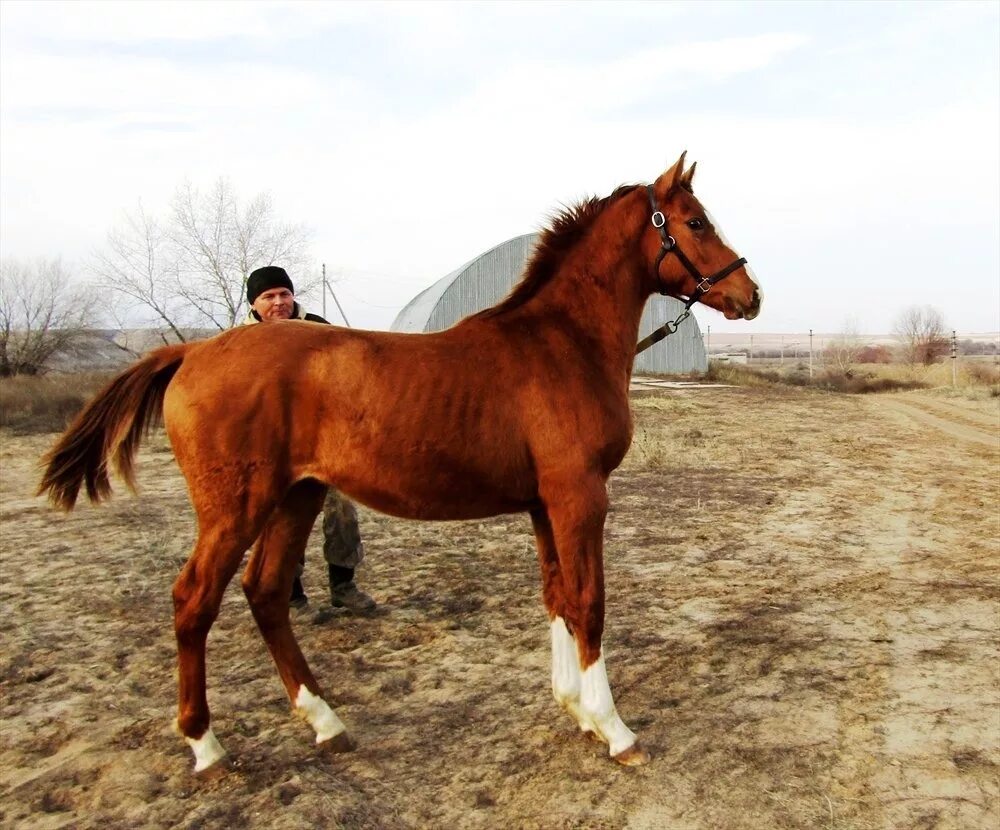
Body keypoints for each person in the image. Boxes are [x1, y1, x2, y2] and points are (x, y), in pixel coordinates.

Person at [242, 265, 376, 615]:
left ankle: (343, 586)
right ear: (254, 305)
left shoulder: (319, 330)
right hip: (273, 448)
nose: (279, 302)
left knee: (343, 511)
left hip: (328, 443)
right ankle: (292, 594)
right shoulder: (241, 343)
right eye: (268, 296)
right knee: (282, 518)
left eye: (284, 294)